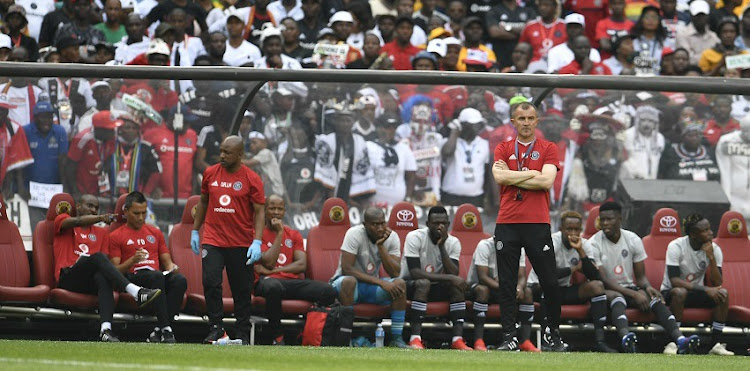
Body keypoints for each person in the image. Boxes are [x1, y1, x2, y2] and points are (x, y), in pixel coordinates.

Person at [491, 101, 566, 351]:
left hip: (537, 222)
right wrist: (531, 174)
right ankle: (509, 337)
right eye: (521, 118)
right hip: (507, 222)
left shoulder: (548, 147)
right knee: (507, 283)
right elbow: (499, 177)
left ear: (537, 121)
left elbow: (546, 182)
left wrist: (516, 176)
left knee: (550, 282)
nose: (525, 123)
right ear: (513, 121)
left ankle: (551, 334)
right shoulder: (502, 147)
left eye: (530, 118)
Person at [584, 201, 701, 354]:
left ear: (620, 218)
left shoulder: (633, 239)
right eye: (602, 220)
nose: (605, 223)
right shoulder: (594, 243)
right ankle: (626, 338)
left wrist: (647, 287)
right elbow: (603, 279)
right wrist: (635, 294)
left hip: (628, 287)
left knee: (654, 299)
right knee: (618, 298)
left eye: (609, 219)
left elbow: (640, 277)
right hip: (604, 291)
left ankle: (680, 339)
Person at [54, 194, 161, 342]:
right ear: (78, 206)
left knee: (102, 275)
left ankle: (106, 329)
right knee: (97, 257)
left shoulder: (103, 233)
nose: (93, 210)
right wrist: (101, 218)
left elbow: (105, 266)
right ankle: (135, 291)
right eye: (89, 206)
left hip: (87, 282)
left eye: (96, 208)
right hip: (68, 277)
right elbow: (77, 221)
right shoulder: (63, 220)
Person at [191, 135, 266, 344]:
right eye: (221, 151)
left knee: (242, 290)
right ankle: (215, 327)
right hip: (213, 240)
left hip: (241, 242)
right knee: (211, 282)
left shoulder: (252, 178)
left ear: (240, 155)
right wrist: (195, 231)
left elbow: (260, 212)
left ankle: (242, 332)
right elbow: (204, 201)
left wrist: (257, 241)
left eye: (227, 152)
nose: (222, 155)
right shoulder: (209, 173)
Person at [527, 211, 629, 353]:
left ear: (581, 230)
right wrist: (574, 268)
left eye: (576, 229)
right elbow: (549, 274)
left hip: (564, 289)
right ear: (561, 229)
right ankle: (548, 340)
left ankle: (600, 341)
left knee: (597, 287)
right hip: (538, 287)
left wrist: (581, 251)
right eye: (569, 229)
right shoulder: (550, 242)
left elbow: (595, 276)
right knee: (550, 286)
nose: (573, 233)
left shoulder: (584, 244)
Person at [254, 194, 337, 345]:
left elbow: (301, 265)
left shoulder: (293, 234)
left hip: (289, 281)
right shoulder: (257, 234)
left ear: (285, 211)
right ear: (265, 211)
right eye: (272, 208)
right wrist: (279, 233)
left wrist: (273, 271)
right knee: (273, 286)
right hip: (265, 282)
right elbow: (270, 261)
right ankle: (277, 336)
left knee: (328, 291)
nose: (277, 212)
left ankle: (307, 332)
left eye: (280, 209)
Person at [109, 191, 188, 343]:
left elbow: (167, 261)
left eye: (144, 213)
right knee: (156, 276)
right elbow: (115, 271)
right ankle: (166, 329)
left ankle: (159, 330)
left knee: (180, 280)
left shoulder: (155, 232)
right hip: (133, 278)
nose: (140, 218)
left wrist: (173, 267)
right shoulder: (116, 235)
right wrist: (133, 260)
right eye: (136, 213)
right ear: (125, 211)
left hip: (155, 277)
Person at [330, 207, 410, 348]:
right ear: (365, 224)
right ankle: (345, 338)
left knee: (400, 284)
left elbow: (395, 272)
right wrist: (380, 282)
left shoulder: (391, 237)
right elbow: (347, 269)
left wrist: (381, 246)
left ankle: (396, 339)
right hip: (346, 285)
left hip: (370, 287)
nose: (380, 228)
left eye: (382, 223)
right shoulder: (354, 233)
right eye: (374, 224)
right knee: (349, 281)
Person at [660, 213, 734, 356]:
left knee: (723, 294)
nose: (710, 233)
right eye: (705, 230)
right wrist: (706, 289)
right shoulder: (676, 246)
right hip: (671, 293)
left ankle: (716, 345)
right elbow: (674, 280)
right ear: (693, 234)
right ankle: (673, 342)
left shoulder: (715, 249)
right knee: (680, 292)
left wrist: (711, 258)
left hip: (696, 293)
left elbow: (718, 283)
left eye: (710, 229)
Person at [398, 206, 471, 350]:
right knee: (423, 283)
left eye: (443, 223)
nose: (440, 226)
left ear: (448, 224)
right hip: (410, 285)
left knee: (457, 286)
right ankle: (415, 338)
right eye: (436, 223)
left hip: (436, 285)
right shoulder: (415, 237)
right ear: (427, 224)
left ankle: (457, 339)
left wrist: (442, 246)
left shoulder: (453, 242)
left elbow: (453, 273)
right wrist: (449, 278)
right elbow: (415, 272)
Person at [467, 239, 535, 352]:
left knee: (527, 292)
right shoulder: (484, 246)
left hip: (504, 289)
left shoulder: (518, 247)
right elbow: (483, 277)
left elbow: (522, 276)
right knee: (483, 290)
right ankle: (478, 340)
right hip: (479, 287)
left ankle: (525, 341)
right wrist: (506, 289)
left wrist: (518, 288)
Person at [314, 102, 375, 207]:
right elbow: (325, 170)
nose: (345, 124)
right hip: (328, 194)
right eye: (341, 120)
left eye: (348, 120)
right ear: (335, 121)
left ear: (353, 122)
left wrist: (352, 197)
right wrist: (332, 198)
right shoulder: (327, 141)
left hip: (351, 193)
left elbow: (361, 171)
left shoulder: (359, 141)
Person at [22, 102, 68, 230]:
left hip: (54, 190)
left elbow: (63, 162)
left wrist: (64, 186)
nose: (46, 120)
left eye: (49, 116)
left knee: (55, 228)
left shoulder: (60, 131)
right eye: (42, 117)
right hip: (31, 192)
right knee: (36, 229)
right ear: (35, 117)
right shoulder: (25, 131)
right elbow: (19, 163)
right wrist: (21, 188)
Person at [142, 105, 198, 199]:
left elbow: (194, 166)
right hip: (159, 196)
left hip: (185, 197)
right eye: (185, 122)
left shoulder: (192, 135)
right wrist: (150, 188)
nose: (188, 125)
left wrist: (194, 192)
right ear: (173, 119)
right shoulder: (152, 134)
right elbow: (143, 165)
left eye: (189, 123)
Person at [103, 113, 163, 197]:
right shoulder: (110, 145)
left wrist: (147, 192)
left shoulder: (146, 148)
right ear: (120, 129)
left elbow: (156, 172)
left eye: (134, 128)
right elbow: (102, 170)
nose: (131, 130)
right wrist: (104, 192)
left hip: (136, 199)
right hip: (112, 199)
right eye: (127, 127)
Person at [440, 108, 490, 206]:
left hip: (476, 197)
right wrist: (454, 132)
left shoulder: (484, 144)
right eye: (472, 125)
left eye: (478, 125)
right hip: (450, 196)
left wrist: (487, 198)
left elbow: (487, 173)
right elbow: (447, 152)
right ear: (462, 125)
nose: (476, 128)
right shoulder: (450, 142)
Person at [366, 113, 416, 208]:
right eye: (387, 127)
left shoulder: (404, 149)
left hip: (398, 206)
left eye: (394, 127)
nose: (391, 130)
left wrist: (407, 199)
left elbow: (411, 177)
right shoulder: (368, 146)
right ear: (378, 128)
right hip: (372, 205)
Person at [65, 111, 119, 197]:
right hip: (83, 191)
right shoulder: (82, 139)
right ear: (99, 129)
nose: (113, 132)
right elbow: (70, 166)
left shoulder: (112, 139)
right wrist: (74, 192)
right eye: (110, 129)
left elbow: (108, 163)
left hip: (100, 191)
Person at [716, 115, 750, 223]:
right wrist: (727, 200)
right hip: (735, 194)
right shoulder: (727, 141)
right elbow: (724, 171)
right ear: (742, 129)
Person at [620, 105, 665, 180]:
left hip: (652, 181)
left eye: (650, 121)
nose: (646, 124)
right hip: (629, 180)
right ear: (637, 121)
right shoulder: (627, 135)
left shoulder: (659, 138)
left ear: (656, 123)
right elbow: (622, 158)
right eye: (643, 120)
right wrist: (633, 172)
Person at [676, 1, 719, 66]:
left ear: (707, 16)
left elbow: (718, 57)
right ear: (691, 16)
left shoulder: (713, 37)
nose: (700, 18)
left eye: (703, 15)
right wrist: (709, 59)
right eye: (697, 15)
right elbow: (688, 59)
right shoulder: (682, 34)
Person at [245, 131, 285, 197]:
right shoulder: (256, 155)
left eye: (254, 142)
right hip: (268, 190)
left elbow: (249, 163)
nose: (251, 145)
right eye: (250, 143)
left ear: (264, 143)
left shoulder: (266, 152)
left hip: (273, 191)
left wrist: (233, 159)